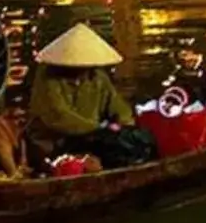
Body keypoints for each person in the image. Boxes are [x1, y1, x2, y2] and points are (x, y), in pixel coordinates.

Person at [28, 23, 153, 168]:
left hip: (93, 136)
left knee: (140, 139)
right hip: (56, 142)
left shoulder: (97, 77)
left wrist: (123, 126)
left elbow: (118, 106)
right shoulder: (48, 78)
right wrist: (101, 128)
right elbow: (58, 116)